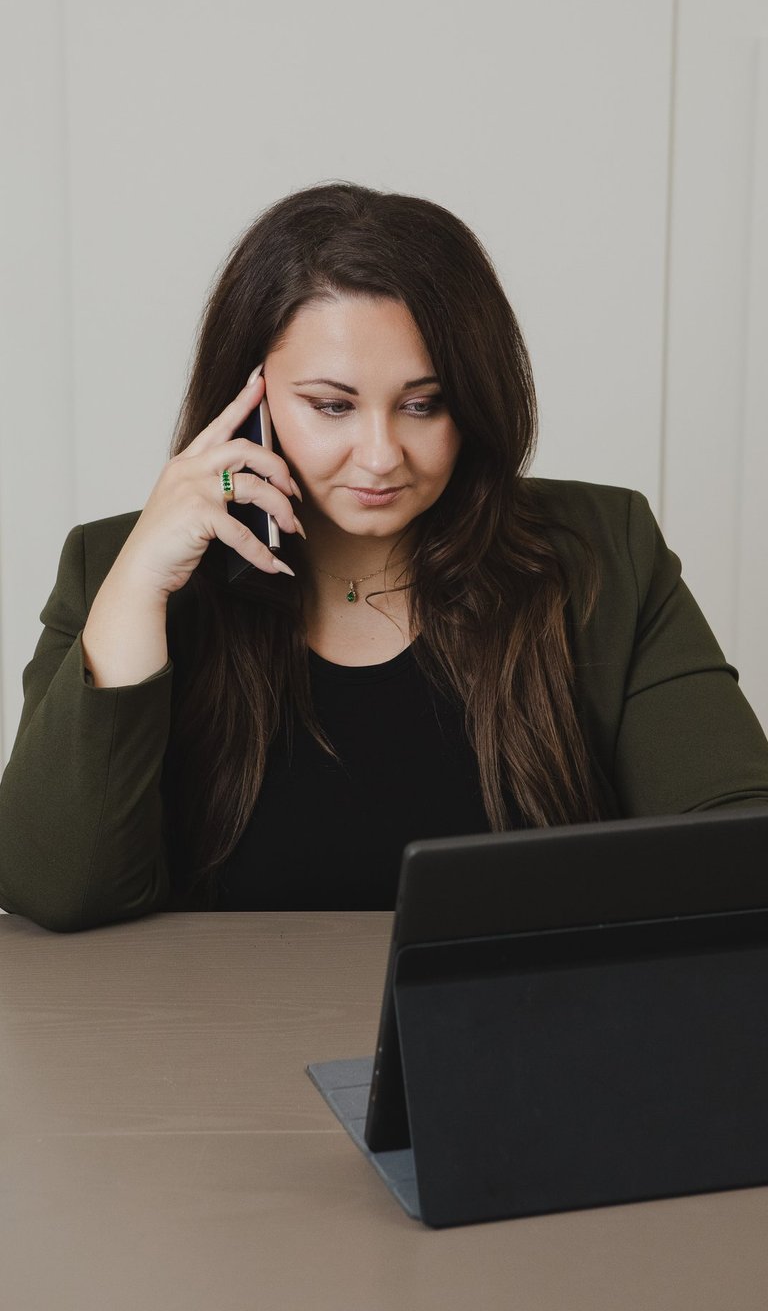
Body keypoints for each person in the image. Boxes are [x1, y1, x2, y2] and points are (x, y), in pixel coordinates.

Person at [2, 182, 768, 932]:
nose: (380, 455)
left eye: (422, 404)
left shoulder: (603, 551)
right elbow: (57, 890)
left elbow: (739, 847)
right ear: (249, 401)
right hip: (215, 1020)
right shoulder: (121, 570)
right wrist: (139, 588)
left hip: (518, 1012)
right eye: (332, 406)